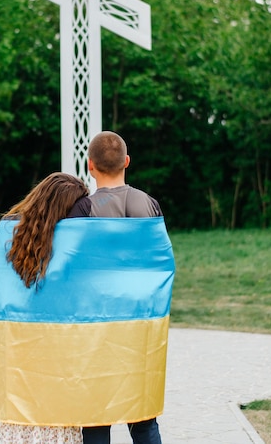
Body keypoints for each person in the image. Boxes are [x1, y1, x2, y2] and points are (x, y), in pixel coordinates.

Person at [68, 131, 163, 444]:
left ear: (90, 165)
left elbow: (73, 272)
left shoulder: (81, 210)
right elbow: (160, 265)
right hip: (140, 328)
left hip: (96, 329)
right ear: (127, 162)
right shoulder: (148, 205)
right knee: (144, 421)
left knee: (96, 420)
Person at [0, 172, 90, 444]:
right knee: (58, 423)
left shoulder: (11, 234)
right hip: (59, 346)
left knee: (23, 421)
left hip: (19, 343)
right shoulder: (72, 245)